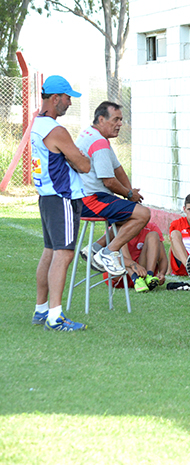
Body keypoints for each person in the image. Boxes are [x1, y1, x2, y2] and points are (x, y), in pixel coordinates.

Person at [31, 75, 91, 331]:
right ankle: (55, 317)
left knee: (50, 252)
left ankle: (41, 309)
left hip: (46, 196)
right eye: (67, 98)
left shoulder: (37, 124)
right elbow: (84, 165)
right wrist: (77, 156)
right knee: (64, 254)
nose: (69, 102)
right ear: (55, 98)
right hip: (63, 197)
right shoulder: (57, 130)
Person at [76, 101, 151, 277]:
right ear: (101, 119)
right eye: (116, 119)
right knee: (143, 214)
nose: (120, 124)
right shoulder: (99, 142)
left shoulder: (91, 134)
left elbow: (117, 168)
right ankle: (108, 252)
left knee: (130, 213)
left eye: (121, 119)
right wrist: (129, 194)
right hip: (91, 199)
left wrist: (130, 193)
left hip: (88, 197)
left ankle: (94, 248)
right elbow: (109, 181)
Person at [114, 222, 168, 293]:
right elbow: (110, 258)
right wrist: (133, 264)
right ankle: (135, 279)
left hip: (142, 271)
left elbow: (162, 257)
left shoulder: (151, 227)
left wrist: (162, 273)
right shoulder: (116, 227)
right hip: (121, 272)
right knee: (120, 235)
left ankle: (149, 276)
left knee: (153, 235)